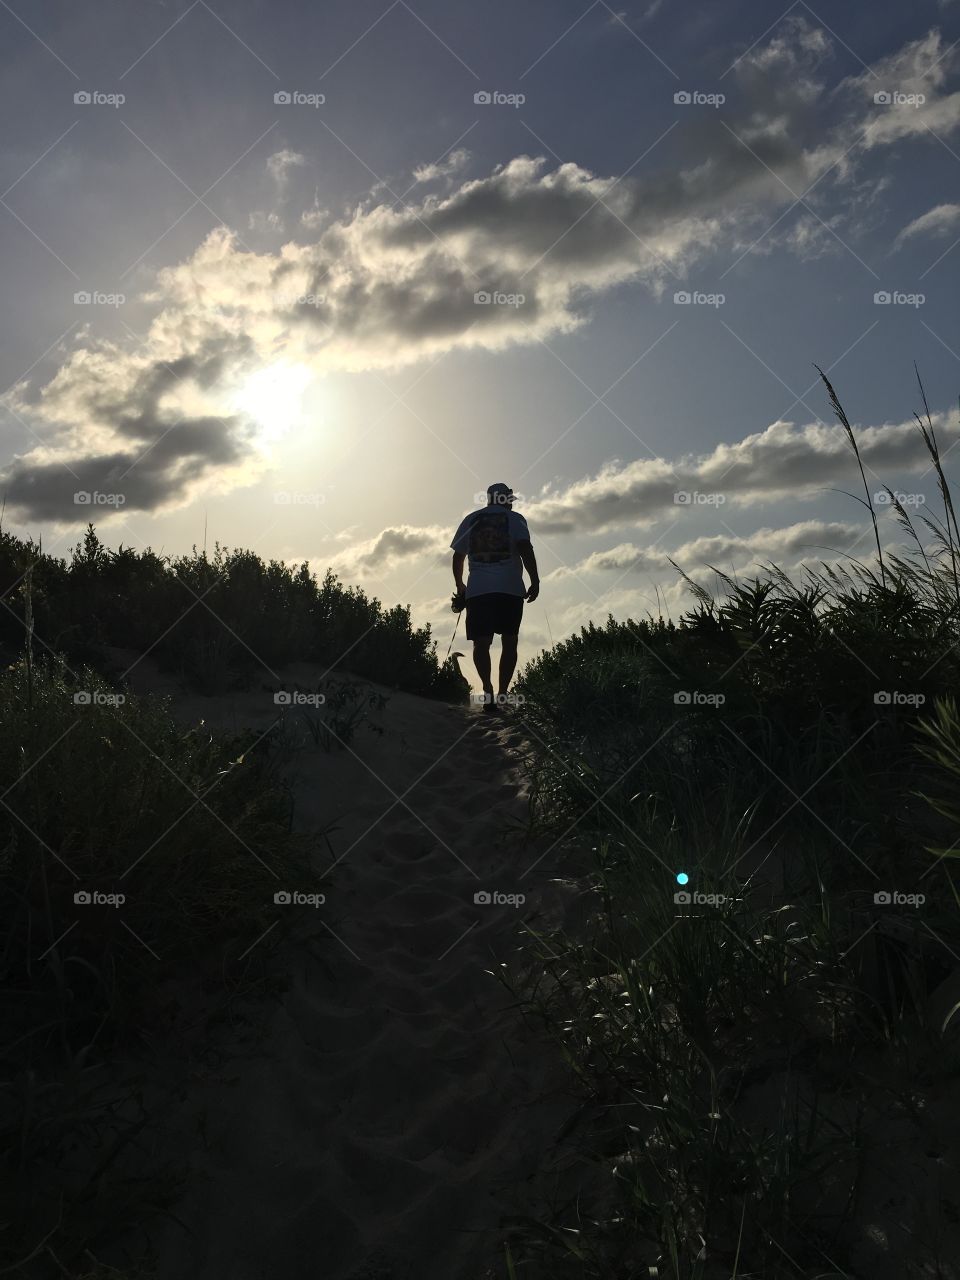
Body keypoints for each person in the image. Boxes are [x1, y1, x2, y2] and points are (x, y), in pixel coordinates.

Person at [449, 482, 539, 714]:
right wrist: (535, 580)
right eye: (509, 499)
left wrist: (460, 585)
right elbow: (525, 548)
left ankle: (487, 691)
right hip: (510, 588)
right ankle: (503, 693)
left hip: (479, 590)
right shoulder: (516, 519)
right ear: (504, 499)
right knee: (510, 641)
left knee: (481, 643)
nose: (511, 503)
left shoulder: (470, 519)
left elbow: (458, 556)